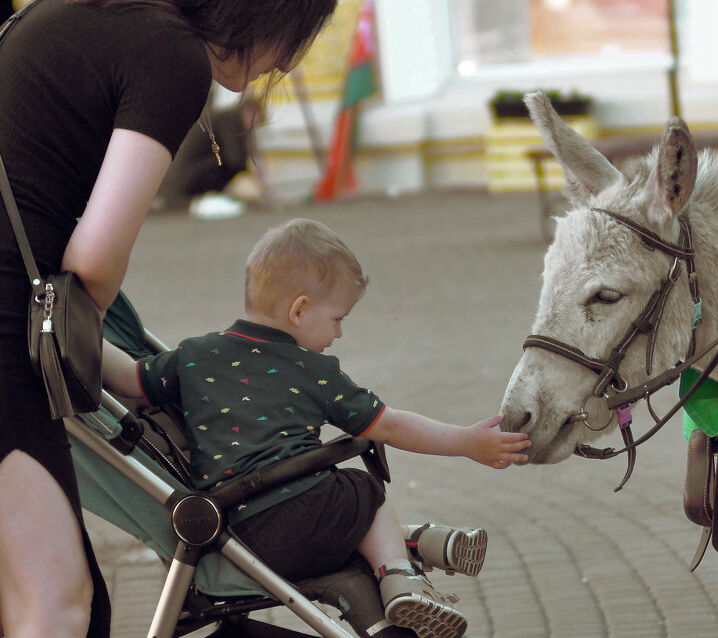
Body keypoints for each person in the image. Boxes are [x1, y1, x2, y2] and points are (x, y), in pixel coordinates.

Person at [0, 0, 338, 638]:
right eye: (293, 40)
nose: (282, 66)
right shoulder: (172, 56)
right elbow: (92, 259)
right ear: (265, 12)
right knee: (55, 603)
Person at [102, 218, 532, 638]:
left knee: (343, 507)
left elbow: (130, 378)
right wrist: (467, 442)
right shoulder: (313, 370)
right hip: (306, 519)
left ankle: (416, 541)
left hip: (239, 535)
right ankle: (401, 577)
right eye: (337, 318)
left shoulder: (193, 356)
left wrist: (80, 337)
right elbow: (392, 425)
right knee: (364, 493)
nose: (340, 333)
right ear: (299, 309)